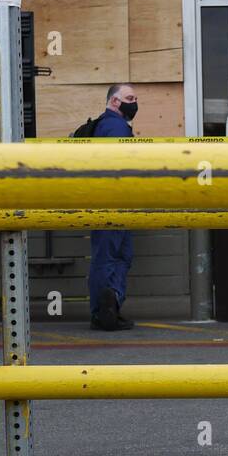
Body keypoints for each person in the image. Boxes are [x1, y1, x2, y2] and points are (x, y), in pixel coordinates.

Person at [88, 83, 139, 330]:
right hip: (113, 201)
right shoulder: (116, 127)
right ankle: (104, 310)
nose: (135, 103)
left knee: (118, 256)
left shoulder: (104, 125)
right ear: (115, 102)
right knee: (111, 257)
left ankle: (110, 305)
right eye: (130, 98)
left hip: (109, 200)